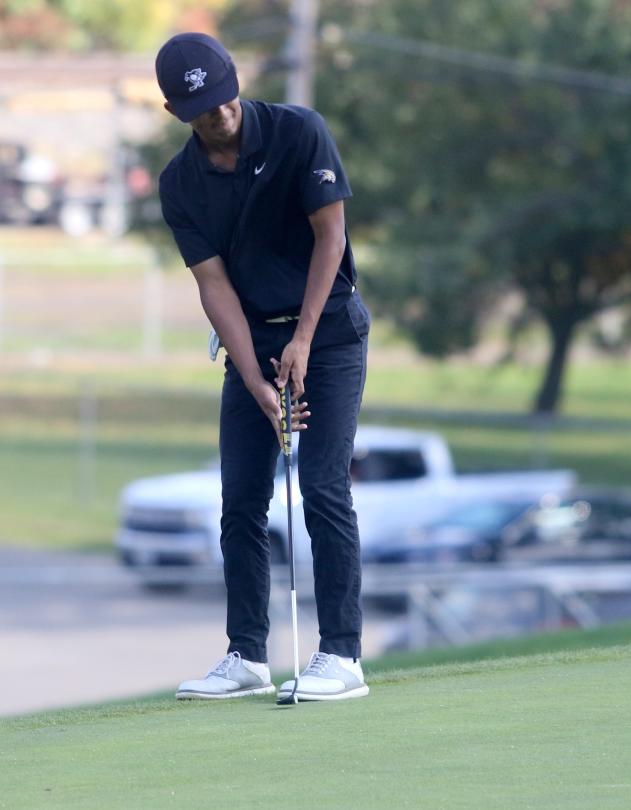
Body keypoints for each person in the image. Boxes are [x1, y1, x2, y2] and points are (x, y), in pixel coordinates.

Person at [154, 32, 370, 701]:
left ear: (235, 84)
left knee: (323, 486)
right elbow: (213, 285)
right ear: (176, 109)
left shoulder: (300, 132)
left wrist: (303, 339)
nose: (219, 114)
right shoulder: (180, 184)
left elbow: (330, 237)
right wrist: (252, 376)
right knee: (241, 502)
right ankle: (248, 656)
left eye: (223, 98)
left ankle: (341, 655)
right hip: (251, 341)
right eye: (202, 107)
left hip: (328, 333)